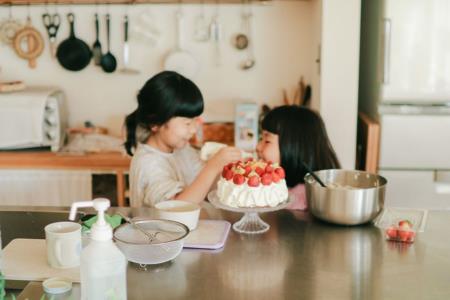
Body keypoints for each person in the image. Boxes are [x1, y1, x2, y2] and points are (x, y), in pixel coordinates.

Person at [124, 71, 241, 207]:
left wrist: (225, 167)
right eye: (187, 123)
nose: (193, 129)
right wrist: (212, 167)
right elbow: (177, 208)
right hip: (159, 229)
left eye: (195, 121)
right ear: (155, 123)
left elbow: (206, 186)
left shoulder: (182, 149)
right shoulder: (148, 163)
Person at [256, 105, 340, 210]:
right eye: (261, 138)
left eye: (267, 140)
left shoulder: (297, 201)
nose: (258, 147)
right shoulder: (283, 187)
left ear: (293, 148)